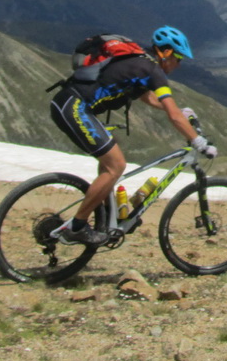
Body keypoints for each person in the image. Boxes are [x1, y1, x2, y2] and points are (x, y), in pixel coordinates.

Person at [47, 25, 215, 245]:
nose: (179, 64)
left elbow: (147, 97)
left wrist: (176, 110)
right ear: (166, 53)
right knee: (116, 166)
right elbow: (174, 116)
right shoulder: (152, 70)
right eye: (178, 58)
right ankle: (76, 228)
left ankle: (108, 219)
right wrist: (199, 141)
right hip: (74, 108)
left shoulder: (141, 60)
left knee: (110, 161)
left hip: (69, 105)